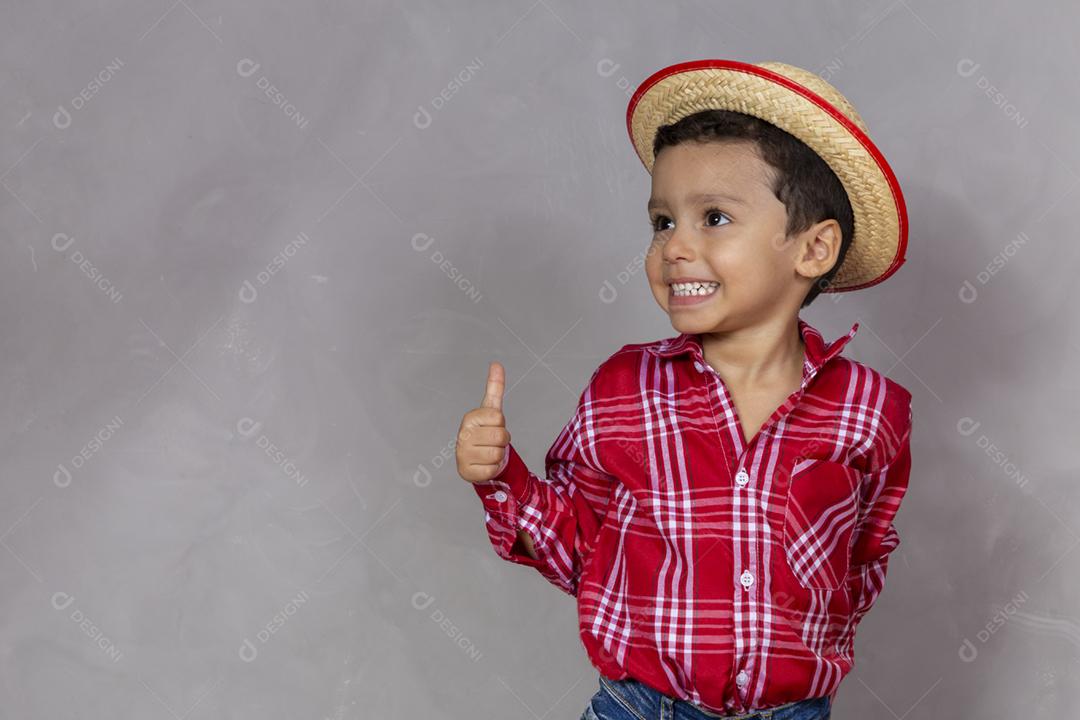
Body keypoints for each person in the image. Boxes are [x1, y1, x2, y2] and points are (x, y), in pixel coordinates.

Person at [456, 59, 913, 720]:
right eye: (663, 221)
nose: (674, 247)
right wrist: (501, 477)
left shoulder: (874, 410)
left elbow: (864, 557)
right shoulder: (624, 389)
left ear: (813, 249)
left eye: (715, 218)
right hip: (640, 709)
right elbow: (583, 555)